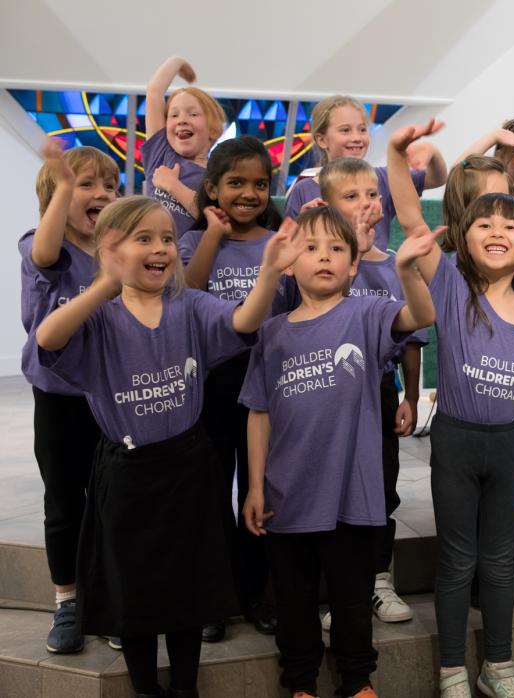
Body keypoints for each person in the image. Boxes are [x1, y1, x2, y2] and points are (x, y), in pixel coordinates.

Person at [35, 196, 303, 698]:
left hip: (187, 467)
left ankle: (185, 687)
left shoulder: (190, 306)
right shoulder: (99, 315)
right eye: (145, 239)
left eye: (165, 239)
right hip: (127, 473)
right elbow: (50, 338)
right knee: (135, 595)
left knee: (188, 589)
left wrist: (268, 273)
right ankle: (145, 688)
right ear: (110, 248)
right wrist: (103, 287)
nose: (160, 249)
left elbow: (244, 322)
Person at [241, 205, 436, 698]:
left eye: (336, 249)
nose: (323, 257)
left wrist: (407, 269)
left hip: (352, 494)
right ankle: (301, 680)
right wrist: (256, 485)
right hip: (288, 495)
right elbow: (258, 413)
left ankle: (357, 680)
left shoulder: (366, 315)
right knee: (294, 598)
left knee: (352, 598)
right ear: (288, 263)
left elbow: (422, 315)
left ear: (353, 265)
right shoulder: (271, 332)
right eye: (310, 248)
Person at [388, 123, 514, 698]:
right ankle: (454, 668)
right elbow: (411, 218)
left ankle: (499, 667)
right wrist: (393, 153)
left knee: (500, 562)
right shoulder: (454, 286)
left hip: (510, 448)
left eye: (510, 225)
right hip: (457, 442)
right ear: (464, 233)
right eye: (483, 223)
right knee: (459, 562)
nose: (497, 231)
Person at [307, 156, 427, 629]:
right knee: (332, 487)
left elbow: (412, 340)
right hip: (325, 395)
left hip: (376, 391)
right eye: (350, 196)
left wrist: (410, 397)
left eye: (372, 194)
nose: (365, 204)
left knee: (380, 485)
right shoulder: (320, 263)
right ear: (327, 205)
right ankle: (339, 587)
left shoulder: (395, 265)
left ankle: (378, 578)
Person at [179, 135, 290, 641]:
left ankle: (256, 592)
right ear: (212, 189)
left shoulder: (280, 243)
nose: (248, 193)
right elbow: (187, 294)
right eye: (236, 183)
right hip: (213, 384)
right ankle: (212, 599)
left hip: (269, 384)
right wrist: (210, 234)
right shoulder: (187, 241)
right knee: (208, 491)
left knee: (260, 489)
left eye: (260, 184)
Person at [20, 139, 118, 654]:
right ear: (54, 196)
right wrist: (62, 187)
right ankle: (68, 602)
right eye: (87, 184)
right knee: (64, 501)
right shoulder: (45, 247)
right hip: (59, 396)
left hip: (109, 395)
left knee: (112, 500)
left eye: (110, 185)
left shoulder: (117, 254)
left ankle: (110, 598)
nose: (101, 192)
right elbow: (44, 250)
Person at [282, 95, 447, 250]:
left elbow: (436, 178)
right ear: (322, 140)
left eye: (362, 129)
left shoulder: (382, 177)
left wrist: (432, 153)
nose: (357, 137)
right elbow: (289, 251)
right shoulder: (302, 189)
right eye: (345, 130)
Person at [144, 56, 226, 237]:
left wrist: (173, 185)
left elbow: (215, 220)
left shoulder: (219, 176)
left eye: (193, 114)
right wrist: (177, 61)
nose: (182, 120)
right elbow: (154, 91)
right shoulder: (161, 154)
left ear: (214, 130)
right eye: (173, 116)